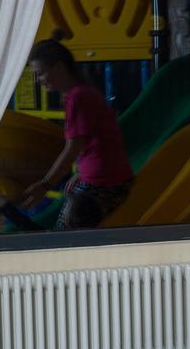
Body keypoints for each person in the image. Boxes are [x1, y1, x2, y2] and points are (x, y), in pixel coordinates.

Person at [22, 31, 134, 229]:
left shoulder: (77, 98)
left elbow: (72, 149)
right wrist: (80, 174)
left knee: (63, 233)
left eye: (40, 73)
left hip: (104, 185)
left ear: (58, 67)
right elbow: (98, 144)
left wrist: (46, 184)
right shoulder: (84, 92)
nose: (38, 80)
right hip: (111, 180)